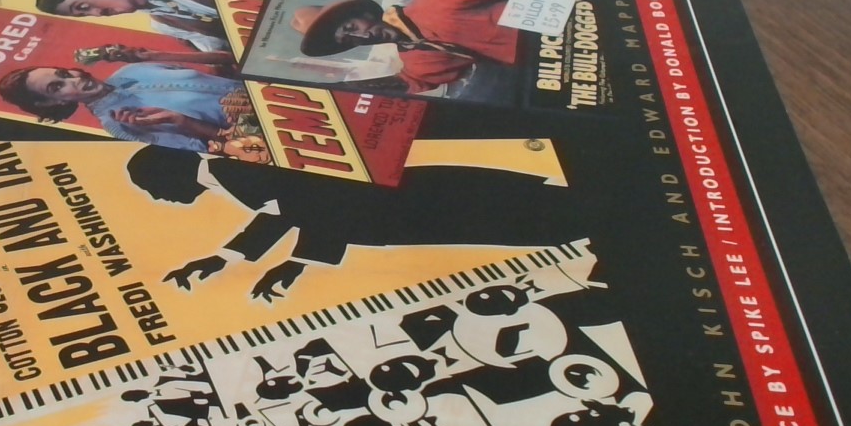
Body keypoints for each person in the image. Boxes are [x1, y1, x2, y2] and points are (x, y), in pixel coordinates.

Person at [125, 145, 585, 301]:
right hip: (398, 208)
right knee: (522, 220)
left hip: (402, 206)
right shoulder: (229, 173)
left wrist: (298, 263)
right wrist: (224, 259)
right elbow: (284, 211)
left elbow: (320, 202)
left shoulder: (232, 170)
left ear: (170, 172)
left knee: (527, 219)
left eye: (152, 188)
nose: (158, 198)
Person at [290, 0, 520, 96]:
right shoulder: (415, 56)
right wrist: (343, 90)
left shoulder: (438, 2)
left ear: (364, 13)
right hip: (534, 69)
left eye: (352, 26)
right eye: (350, 40)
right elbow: (411, 82)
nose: (363, 35)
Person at [0, 61, 243, 152]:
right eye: (57, 87)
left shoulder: (133, 69)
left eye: (64, 73)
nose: (74, 79)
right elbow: (220, 150)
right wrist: (182, 122)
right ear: (53, 102)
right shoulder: (119, 125)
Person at [36, 0, 228, 51]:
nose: (98, 14)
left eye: (83, 7)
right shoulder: (162, 25)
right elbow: (221, 51)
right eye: (85, 15)